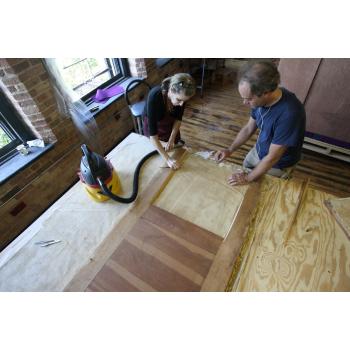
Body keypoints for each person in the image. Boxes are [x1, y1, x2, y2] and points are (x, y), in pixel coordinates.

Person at [215, 61, 306, 186]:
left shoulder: (290, 114)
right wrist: (230, 150)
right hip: (259, 151)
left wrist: (248, 178)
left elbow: (273, 157)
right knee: (245, 176)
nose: (244, 103)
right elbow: (248, 128)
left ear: (267, 92)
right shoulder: (258, 100)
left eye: (249, 99)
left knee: (260, 191)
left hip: (277, 164)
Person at [142, 73, 196, 170]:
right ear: (171, 90)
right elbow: (153, 137)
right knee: (156, 151)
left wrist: (171, 139)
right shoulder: (155, 96)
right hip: (154, 122)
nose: (181, 104)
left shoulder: (182, 96)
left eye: (184, 101)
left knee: (173, 145)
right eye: (179, 100)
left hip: (168, 122)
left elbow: (178, 119)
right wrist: (168, 159)